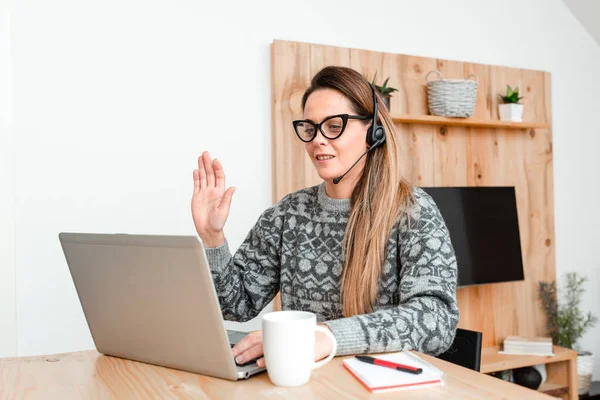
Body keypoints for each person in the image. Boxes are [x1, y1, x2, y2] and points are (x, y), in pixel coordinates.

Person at [191, 66, 459, 368]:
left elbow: (436, 321)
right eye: (310, 128)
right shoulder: (289, 214)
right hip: (305, 386)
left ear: (373, 130)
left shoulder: (413, 211)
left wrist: (325, 337)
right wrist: (212, 237)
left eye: (334, 126)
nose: (317, 140)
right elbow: (236, 305)